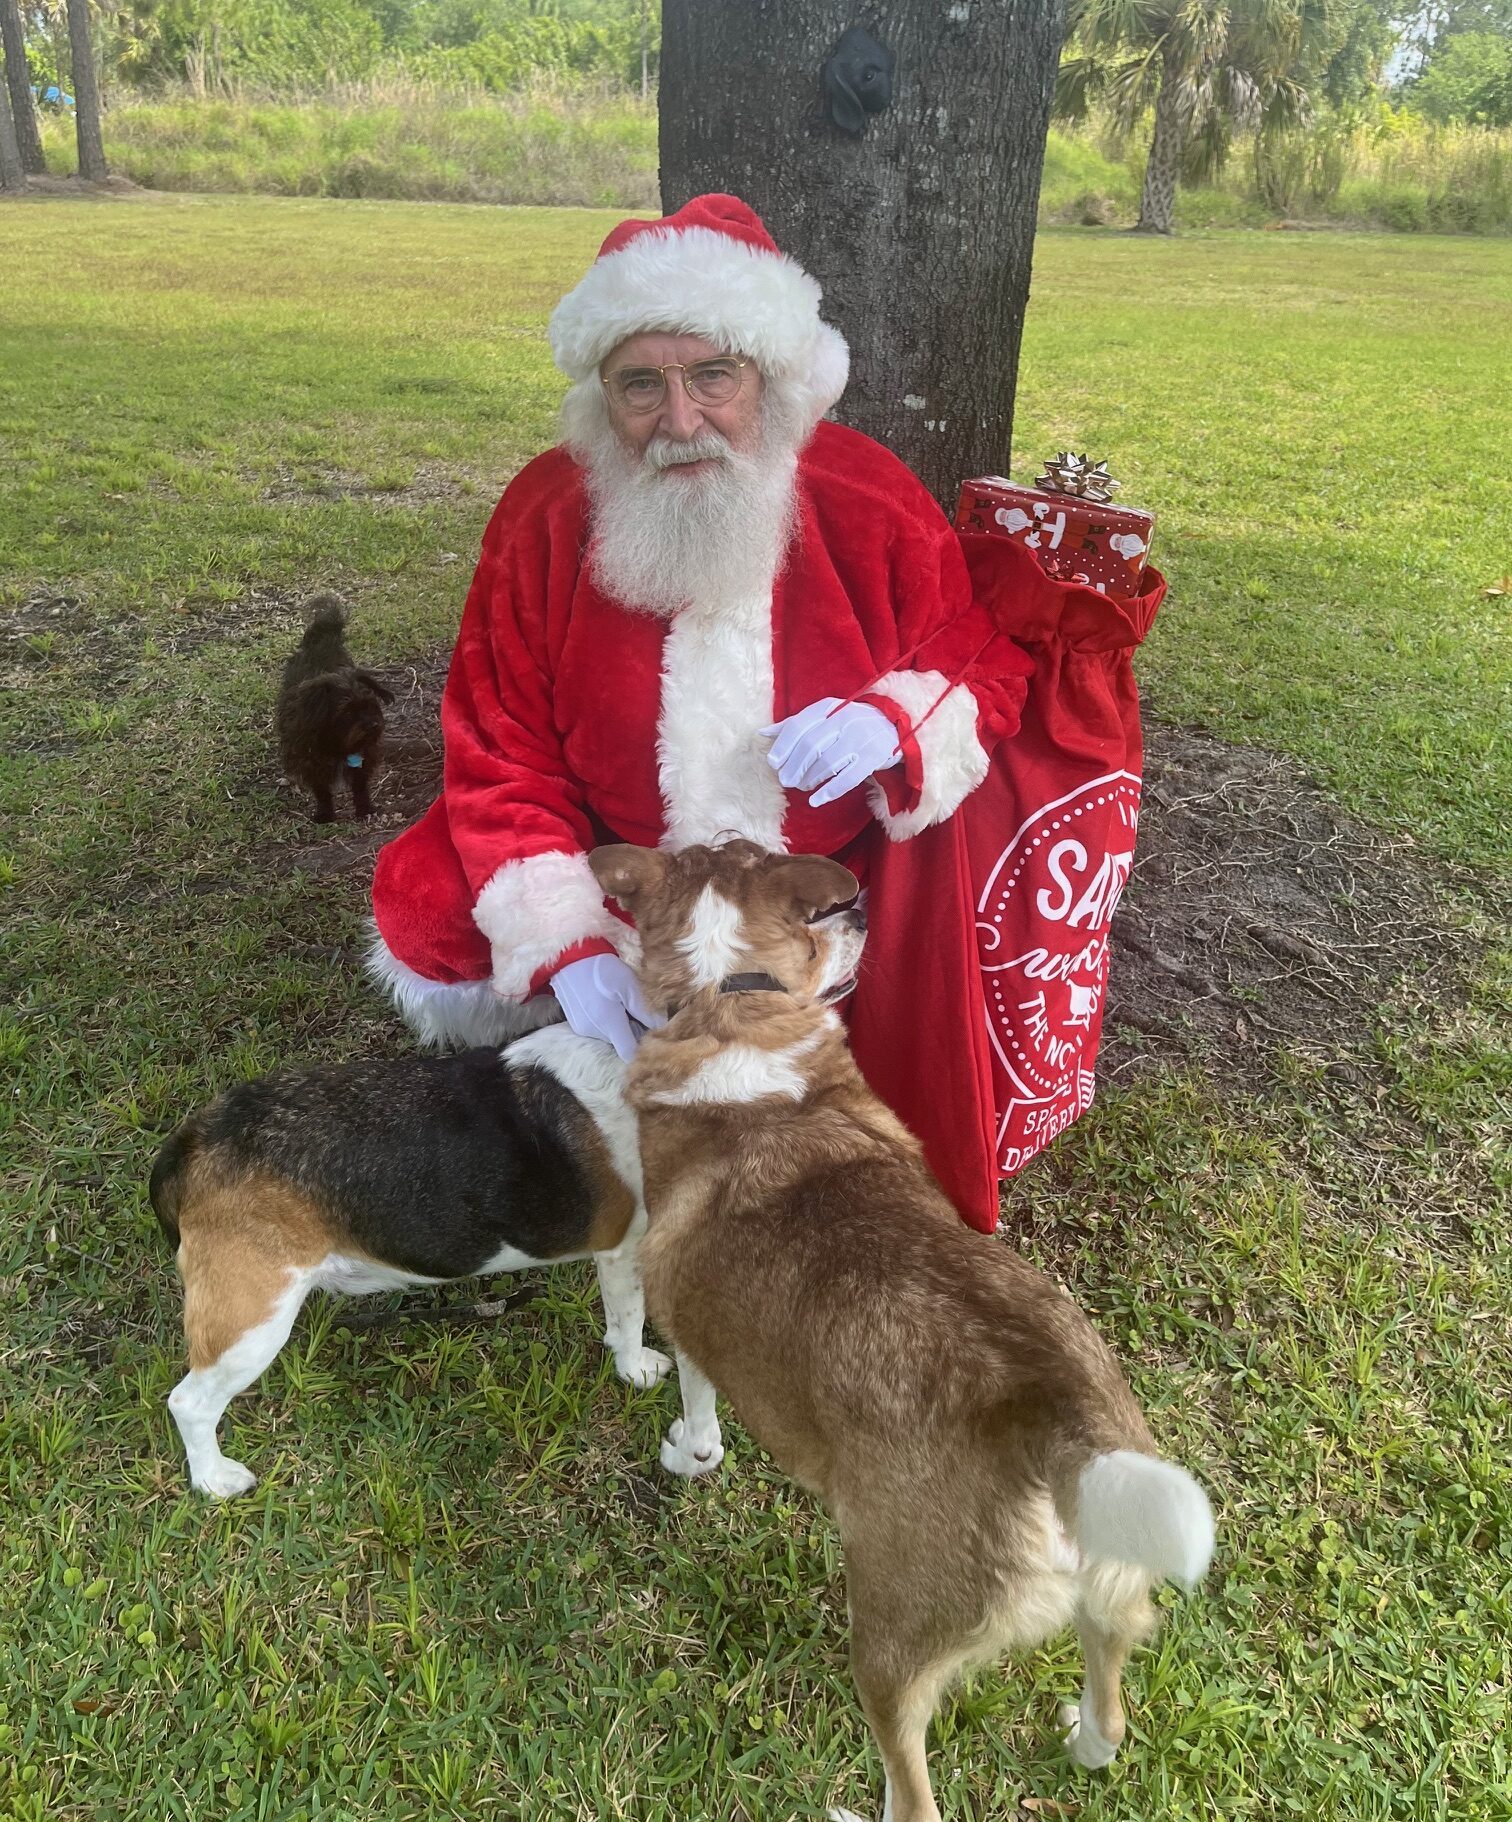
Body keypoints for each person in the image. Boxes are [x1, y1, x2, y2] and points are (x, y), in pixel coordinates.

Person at [369, 194, 1157, 1228]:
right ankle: (573, 1119)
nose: (681, 421)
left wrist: (897, 723)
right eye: (640, 385)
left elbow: (979, 658)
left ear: (770, 378)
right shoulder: (542, 516)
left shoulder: (868, 496)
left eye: (712, 376)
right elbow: (497, 748)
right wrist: (565, 944)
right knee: (433, 906)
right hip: (622, 870)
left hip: (825, 891)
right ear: (600, 397)